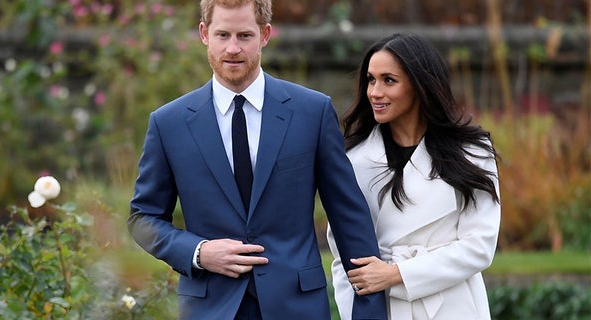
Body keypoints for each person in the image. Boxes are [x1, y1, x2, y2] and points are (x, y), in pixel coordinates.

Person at [127, 0, 388, 319]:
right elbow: (143, 218)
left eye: (244, 36)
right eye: (223, 35)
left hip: (297, 308)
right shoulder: (168, 123)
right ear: (204, 34)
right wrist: (199, 252)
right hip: (211, 308)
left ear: (265, 35)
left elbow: (349, 218)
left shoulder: (312, 112)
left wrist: (369, 314)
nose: (233, 48)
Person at [326, 33, 501, 320]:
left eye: (388, 80)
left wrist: (397, 274)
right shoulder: (352, 160)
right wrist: (354, 310)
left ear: (420, 85)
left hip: (454, 307)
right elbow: (342, 255)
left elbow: (479, 247)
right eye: (371, 80)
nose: (375, 92)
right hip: (382, 309)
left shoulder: (473, 152)